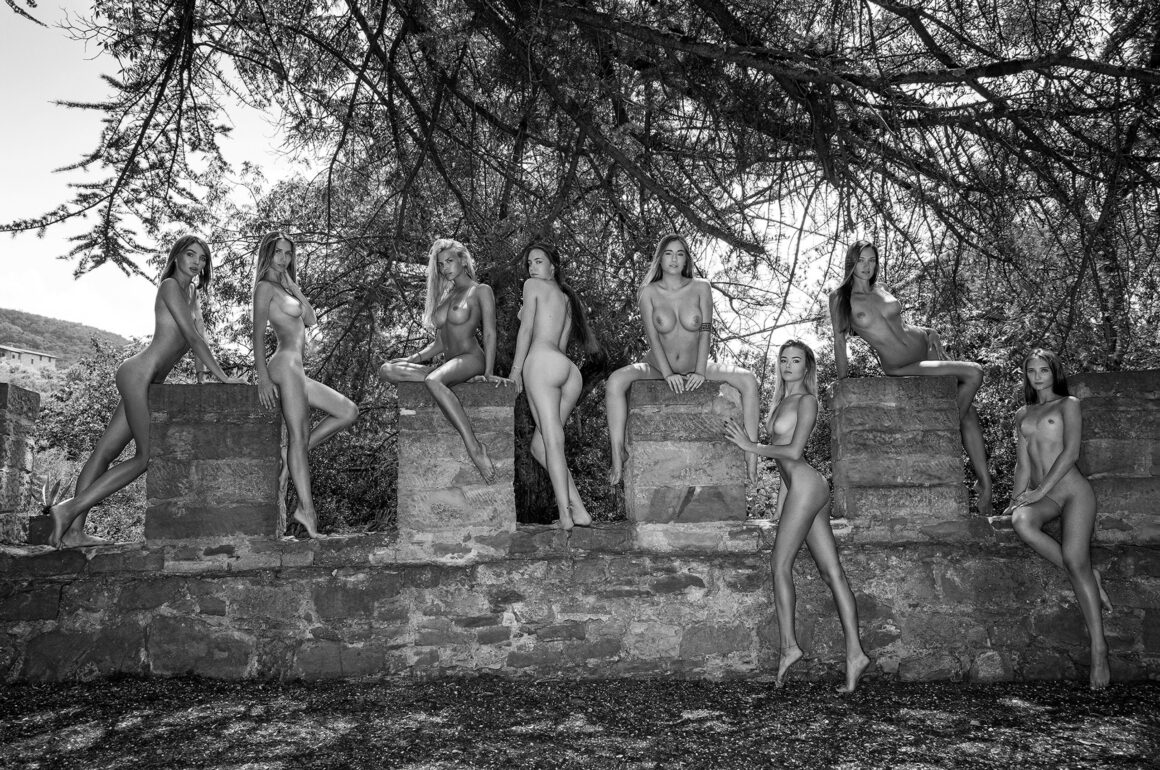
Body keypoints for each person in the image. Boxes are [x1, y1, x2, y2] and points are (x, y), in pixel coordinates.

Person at [44, 235, 244, 548]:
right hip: (138, 374)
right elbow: (191, 337)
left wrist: (203, 378)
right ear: (176, 256)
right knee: (144, 456)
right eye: (190, 254)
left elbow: (200, 338)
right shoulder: (169, 286)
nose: (197, 262)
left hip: (149, 382)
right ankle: (67, 510)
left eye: (203, 258)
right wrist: (225, 378)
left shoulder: (192, 292)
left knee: (105, 452)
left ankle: (72, 533)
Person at [723, 340, 871, 692]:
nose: (788, 365)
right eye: (784, 359)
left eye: (796, 360)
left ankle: (789, 646)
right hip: (800, 489)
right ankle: (856, 655)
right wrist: (780, 508)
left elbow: (793, 451)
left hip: (807, 486)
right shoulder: (779, 404)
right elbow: (783, 466)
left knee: (780, 565)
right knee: (831, 572)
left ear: (807, 367)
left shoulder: (807, 401)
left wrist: (749, 446)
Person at [829, 239, 993, 515]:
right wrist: (843, 383)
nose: (867, 266)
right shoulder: (840, 298)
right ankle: (945, 433)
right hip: (900, 364)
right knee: (974, 372)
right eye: (861, 260)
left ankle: (985, 483)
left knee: (968, 410)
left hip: (925, 346)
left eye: (872, 260)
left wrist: (929, 331)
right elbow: (839, 341)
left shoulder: (881, 289)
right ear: (851, 263)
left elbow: (901, 325)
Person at [605, 234, 760, 484]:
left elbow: (706, 330)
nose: (674, 259)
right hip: (657, 367)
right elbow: (652, 338)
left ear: (686, 258)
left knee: (749, 380)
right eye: (668, 253)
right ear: (660, 259)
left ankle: (751, 454)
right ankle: (617, 453)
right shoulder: (648, 292)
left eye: (680, 253)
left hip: (696, 366)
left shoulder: (701, 287)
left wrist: (700, 371)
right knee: (615, 381)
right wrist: (667, 374)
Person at [1005, 349, 1112, 690]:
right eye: (1031, 371)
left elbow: (1071, 452)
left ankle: (1099, 650)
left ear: (1054, 373)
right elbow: (1023, 464)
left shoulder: (1069, 404)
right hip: (1045, 496)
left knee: (1074, 560)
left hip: (1073, 491)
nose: (1038, 377)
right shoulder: (1022, 413)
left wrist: (1039, 491)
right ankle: (1089, 574)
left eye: (1044, 370)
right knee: (1022, 522)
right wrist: (1015, 500)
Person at [253, 232, 359, 538]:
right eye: (278, 252)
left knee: (348, 411)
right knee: (299, 435)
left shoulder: (284, 287)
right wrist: (262, 377)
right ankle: (306, 510)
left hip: (297, 369)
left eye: (288, 253)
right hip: (284, 365)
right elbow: (257, 334)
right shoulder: (264, 288)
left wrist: (295, 287)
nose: (283, 258)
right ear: (267, 254)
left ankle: (289, 455)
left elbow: (311, 319)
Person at [378, 238, 504, 482]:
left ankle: (475, 448)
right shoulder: (447, 294)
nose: (445, 268)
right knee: (387, 370)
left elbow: (490, 333)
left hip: (471, 359)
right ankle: (447, 384)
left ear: (463, 261)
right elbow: (439, 343)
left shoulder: (480, 290)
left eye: (450, 261)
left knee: (433, 381)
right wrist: (411, 358)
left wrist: (488, 372)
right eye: (440, 264)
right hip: (448, 365)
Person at [508, 243, 604, 530]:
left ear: (553, 266)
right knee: (540, 447)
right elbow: (560, 344)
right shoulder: (565, 299)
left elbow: (527, 330)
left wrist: (516, 371)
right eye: (529, 263)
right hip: (568, 371)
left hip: (542, 364)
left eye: (539, 261)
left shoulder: (532, 286)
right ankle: (580, 511)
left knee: (552, 442)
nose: (532, 268)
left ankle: (565, 516)